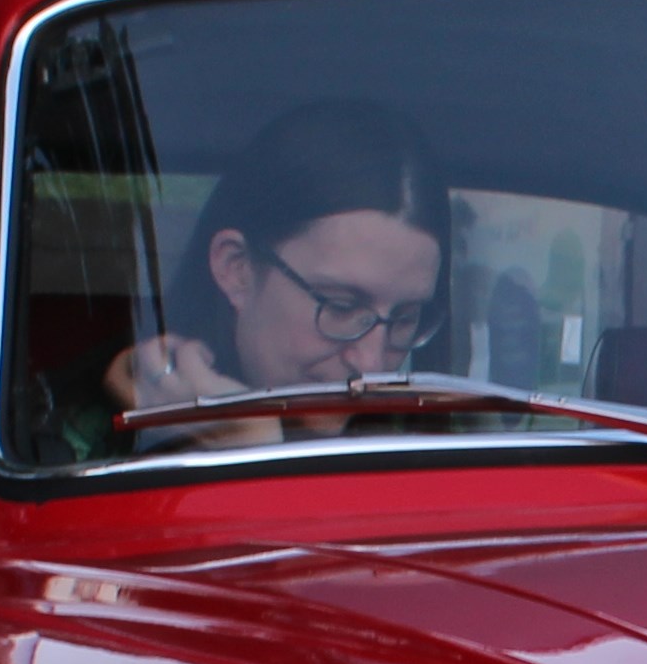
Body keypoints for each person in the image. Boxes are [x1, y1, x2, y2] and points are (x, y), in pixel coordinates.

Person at [103, 99, 452, 439]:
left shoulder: (444, 442)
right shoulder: (94, 439)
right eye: (341, 306)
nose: (371, 366)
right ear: (237, 269)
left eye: (406, 318)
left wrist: (246, 438)